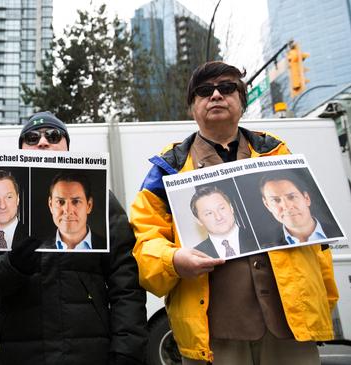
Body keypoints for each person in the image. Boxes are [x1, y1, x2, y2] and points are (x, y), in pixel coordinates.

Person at [131, 61, 338, 364]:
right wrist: (173, 260)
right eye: (204, 91)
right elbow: (145, 241)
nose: (216, 95)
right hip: (215, 338)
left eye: (226, 88)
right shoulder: (166, 168)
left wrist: (324, 304)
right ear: (193, 107)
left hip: (290, 330)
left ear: (242, 101)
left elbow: (316, 244)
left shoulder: (278, 154)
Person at [0, 111, 147, 365]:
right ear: (20, 149)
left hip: (87, 352)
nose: (42, 141)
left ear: (67, 147)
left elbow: (126, 283)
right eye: (31, 137)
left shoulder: (103, 201)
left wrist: (127, 349)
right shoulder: (4, 205)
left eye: (53, 135)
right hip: (17, 351)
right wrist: (12, 265)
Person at [259, 172, 340, 246]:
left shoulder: (339, 232)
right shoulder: (264, 246)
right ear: (267, 205)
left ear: (306, 198)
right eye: (276, 200)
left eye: (291, 197)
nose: (286, 206)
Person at [43, 171, 106, 250]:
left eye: (76, 201)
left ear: (89, 206)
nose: (68, 210)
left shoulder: (110, 249)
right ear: (50, 205)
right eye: (60, 202)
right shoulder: (36, 254)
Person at [190, 185, 258, 258]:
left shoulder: (260, 237)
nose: (218, 217)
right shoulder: (195, 256)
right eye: (209, 213)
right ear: (199, 221)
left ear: (231, 208)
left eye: (222, 208)